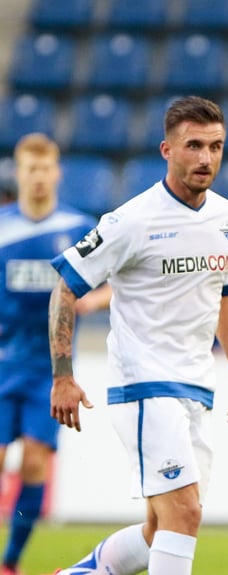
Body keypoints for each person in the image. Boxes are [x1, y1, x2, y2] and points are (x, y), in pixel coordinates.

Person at [48, 96, 228, 575]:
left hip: (195, 386)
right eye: (194, 145)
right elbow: (65, 288)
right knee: (184, 513)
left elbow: (224, 293)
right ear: (167, 150)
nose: (206, 158)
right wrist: (63, 375)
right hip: (143, 385)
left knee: (161, 530)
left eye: (216, 146)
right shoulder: (131, 221)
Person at [0, 133, 110, 575]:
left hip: (50, 368)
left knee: (32, 464)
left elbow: (123, 278)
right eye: (30, 169)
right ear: (19, 173)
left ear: (57, 173)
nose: (39, 177)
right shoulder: (4, 223)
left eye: (46, 169)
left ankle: (11, 561)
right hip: (3, 359)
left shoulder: (80, 226)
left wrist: (93, 301)